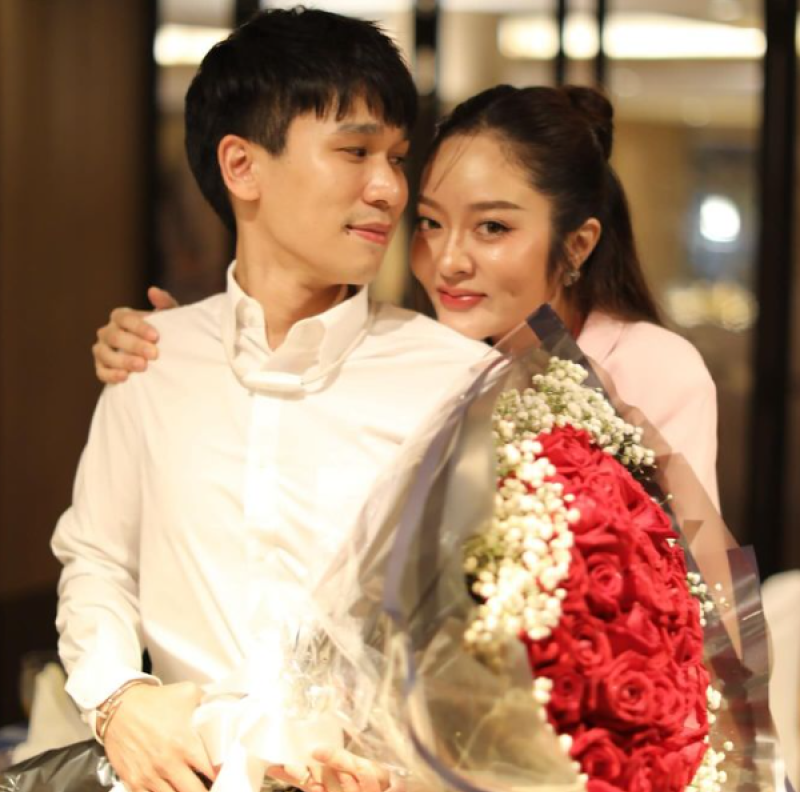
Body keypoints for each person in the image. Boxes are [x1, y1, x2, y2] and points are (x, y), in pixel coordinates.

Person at [52, 6, 490, 792]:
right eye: (356, 152)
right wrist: (116, 697)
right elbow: (97, 557)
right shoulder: (153, 358)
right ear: (242, 166)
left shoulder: (456, 381)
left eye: (398, 159)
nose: (389, 189)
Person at [96, 84, 717, 503]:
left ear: (577, 244)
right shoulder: (404, 351)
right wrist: (193, 351)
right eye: (430, 223)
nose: (447, 262)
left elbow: (691, 592)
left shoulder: (652, 368)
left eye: (492, 228)